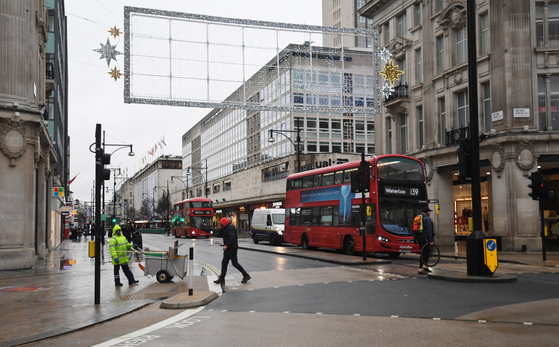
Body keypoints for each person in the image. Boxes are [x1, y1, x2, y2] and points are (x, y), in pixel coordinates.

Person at [214, 217, 251, 284]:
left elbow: (232, 237)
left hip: (232, 248)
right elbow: (219, 235)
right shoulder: (225, 227)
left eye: (221, 223)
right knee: (224, 263)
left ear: (224, 222)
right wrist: (221, 228)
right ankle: (222, 278)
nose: (220, 224)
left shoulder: (231, 227)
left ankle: (246, 275)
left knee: (235, 263)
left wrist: (226, 245)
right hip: (228, 249)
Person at [417, 207, 435, 275]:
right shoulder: (427, 219)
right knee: (425, 253)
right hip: (425, 238)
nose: (430, 213)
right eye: (429, 211)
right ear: (427, 212)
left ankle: (425, 267)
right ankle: (421, 268)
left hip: (420, 238)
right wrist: (431, 240)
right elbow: (429, 230)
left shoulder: (419, 217)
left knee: (425, 252)